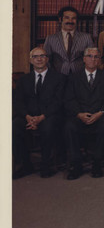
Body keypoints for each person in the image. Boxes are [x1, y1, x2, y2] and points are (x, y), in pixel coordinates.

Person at [12, 47, 66, 179]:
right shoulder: (24, 80)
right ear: (31, 60)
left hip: (49, 115)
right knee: (14, 127)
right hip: (28, 116)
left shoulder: (59, 78)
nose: (39, 59)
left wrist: (41, 117)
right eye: (36, 56)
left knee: (48, 127)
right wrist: (28, 117)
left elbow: (58, 102)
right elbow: (18, 102)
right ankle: (25, 164)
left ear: (47, 59)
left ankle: (45, 164)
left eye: (42, 56)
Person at [64, 47, 104, 180]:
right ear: (84, 59)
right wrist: (79, 114)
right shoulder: (74, 77)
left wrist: (99, 113)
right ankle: (76, 165)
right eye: (90, 56)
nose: (93, 59)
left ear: (99, 60)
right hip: (80, 115)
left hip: (99, 115)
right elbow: (69, 99)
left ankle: (97, 164)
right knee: (69, 126)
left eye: (96, 57)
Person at [43, 6, 94, 75]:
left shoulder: (86, 37)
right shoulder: (50, 38)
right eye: (67, 18)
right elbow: (46, 59)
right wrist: (52, 75)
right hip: (58, 76)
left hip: (80, 77)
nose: (70, 21)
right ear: (60, 19)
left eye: (73, 18)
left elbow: (91, 59)